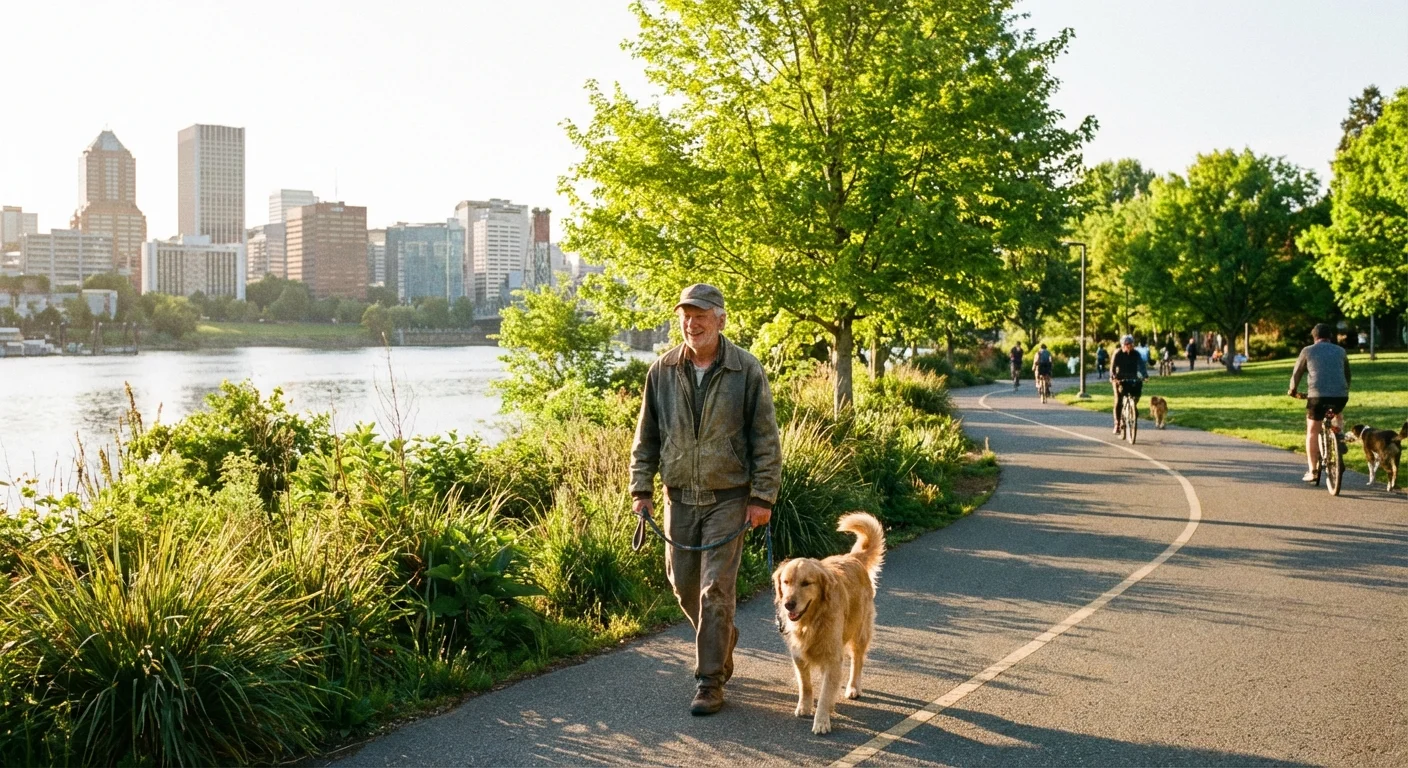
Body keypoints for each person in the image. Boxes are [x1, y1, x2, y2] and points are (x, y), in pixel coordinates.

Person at [630, 283, 782, 716]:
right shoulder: (661, 370)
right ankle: (722, 638)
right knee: (684, 588)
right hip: (678, 498)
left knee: (715, 591)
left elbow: (765, 441)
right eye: (685, 316)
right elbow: (646, 439)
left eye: (700, 316)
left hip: (728, 498)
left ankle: (709, 681)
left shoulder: (746, 370)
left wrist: (762, 497)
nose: (691, 324)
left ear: (721, 319)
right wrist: (640, 489)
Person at [1289, 323, 1351, 483]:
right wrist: (1344, 390)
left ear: (1314, 337)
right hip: (1340, 396)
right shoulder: (1341, 351)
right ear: (1330, 337)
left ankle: (1313, 470)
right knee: (1337, 412)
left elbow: (1296, 374)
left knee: (1312, 431)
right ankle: (1339, 435)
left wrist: (1293, 391)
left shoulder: (1307, 351)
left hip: (1317, 396)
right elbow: (1347, 375)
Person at [1110, 334, 1148, 434]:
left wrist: (1145, 375)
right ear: (1122, 345)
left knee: (1136, 393)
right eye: (1127, 344)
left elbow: (1141, 365)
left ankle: (1133, 409)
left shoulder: (1136, 354)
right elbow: (1113, 367)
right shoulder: (1118, 354)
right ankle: (1117, 423)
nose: (1129, 346)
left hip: (1132, 377)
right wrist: (1113, 377)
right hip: (1119, 378)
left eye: (1131, 344)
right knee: (1118, 400)